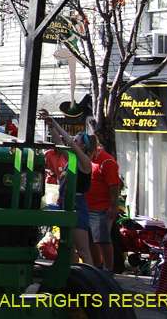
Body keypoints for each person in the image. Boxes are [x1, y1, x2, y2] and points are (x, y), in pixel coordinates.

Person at [41, 109, 93, 265]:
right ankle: (72, 277)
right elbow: (59, 143)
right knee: (68, 247)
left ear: (83, 146)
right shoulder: (71, 159)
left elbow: (68, 143)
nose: (73, 142)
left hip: (77, 206)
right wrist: (50, 125)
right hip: (66, 205)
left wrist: (56, 122)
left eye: (77, 141)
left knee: (83, 250)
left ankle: (91, 279)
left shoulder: (85, 163)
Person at [85, 133, 120, 272]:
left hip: (101, 208)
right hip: (87, 207)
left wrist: (113, 206)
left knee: (103, 240)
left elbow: (115, 184)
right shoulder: (88, 159)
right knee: (90, 240)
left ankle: (108, 270)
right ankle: (96, 267)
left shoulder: (106, 161)